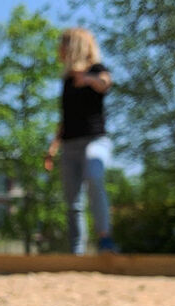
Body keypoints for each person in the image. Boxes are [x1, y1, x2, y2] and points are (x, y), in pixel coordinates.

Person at [45, 27, 117, 255]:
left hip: (95, 141)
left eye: (63, 44)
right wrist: (52, 148)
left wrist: (88, 79)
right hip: (69, 146)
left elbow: (105, 83)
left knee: (94, 175)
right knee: (73, 202)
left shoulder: (97, 70)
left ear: (74, 46)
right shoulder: (66, 80)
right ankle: (76, 252)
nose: (59, 49)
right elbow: (65, 119)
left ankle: (105, 239)